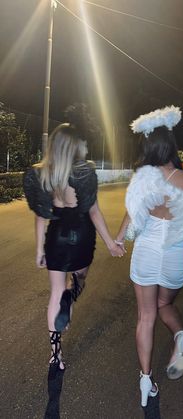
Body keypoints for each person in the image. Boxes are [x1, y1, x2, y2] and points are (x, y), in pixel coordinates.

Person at [115, 106, 183, 407]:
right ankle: (181, 336)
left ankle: (146, 381)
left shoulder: (144, 179)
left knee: (146, 316)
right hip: (176, 252)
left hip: (147, 250)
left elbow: (131, 217)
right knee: (165, 303)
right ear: (172, 147)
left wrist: (118, 239)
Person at [23, 119, 124, 372]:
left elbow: (40, 216)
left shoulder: (40, 172)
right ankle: (70, 299)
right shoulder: (85, 171)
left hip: (56, 235)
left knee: (54, 292)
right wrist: (111, 243)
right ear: (75, 146)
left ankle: (55, 356)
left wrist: (39, 251)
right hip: (81, 234)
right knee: (78, 281)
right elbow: (94, 211)